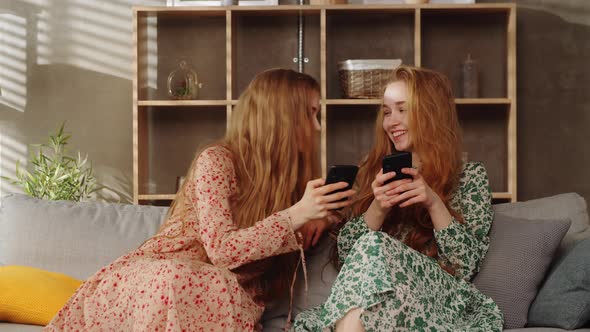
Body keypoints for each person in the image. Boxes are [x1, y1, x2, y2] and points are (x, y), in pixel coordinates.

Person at [44, 68, 355, 331]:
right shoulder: (217, 161)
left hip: (223, 296)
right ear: (280, 118)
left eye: (319, 114)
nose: (317, 126)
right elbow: (221, 250)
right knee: (182, 278)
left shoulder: (292, 183)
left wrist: (322, 217)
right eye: (309, 113)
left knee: (223, 290)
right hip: (160, 280)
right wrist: (296, 214)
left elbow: (276, 258)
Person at [293, 66, 504, 331]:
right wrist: (378, 208)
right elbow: (349, 262)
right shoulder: (371, 173)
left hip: (439, 301)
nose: (391, 122)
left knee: (375, 247)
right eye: (386, 112)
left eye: (403, 110)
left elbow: (466, 265)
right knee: (356, 304)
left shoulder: (469, 177)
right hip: (381, 300)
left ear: (431, 113)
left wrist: (433, 202)